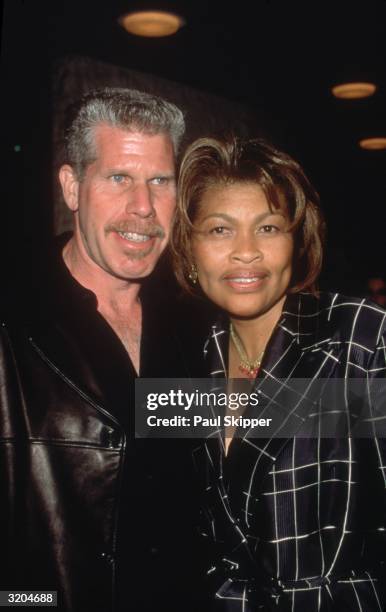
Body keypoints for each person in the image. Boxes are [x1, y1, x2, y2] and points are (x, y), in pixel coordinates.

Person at [0, 87, 203, 612]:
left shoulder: (195, 327)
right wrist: (32, 604)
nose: (143, 207)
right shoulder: (13, 323)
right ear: (72, 186)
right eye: (119, 179)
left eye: (160, 181)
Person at [172, 136, 386, 611]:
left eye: (268, 228)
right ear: (189, 250)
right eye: (219, 230)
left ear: (297, 239)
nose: (246, 252)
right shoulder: (184, 358)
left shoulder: (358, 339)